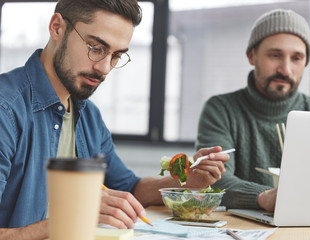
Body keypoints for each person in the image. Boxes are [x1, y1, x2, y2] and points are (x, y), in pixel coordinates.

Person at [0, 0, 230, 239]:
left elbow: (129, 188)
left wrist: (186, 180)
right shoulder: (5, 110)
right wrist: (72, 216)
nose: (105, 68)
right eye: (96, 48)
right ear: (57, 27)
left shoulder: (88, 116)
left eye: (117, 56)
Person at [195, 9, 310, 213]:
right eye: (275, 55)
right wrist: (264, 197)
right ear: (252, 56)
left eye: (297, 58)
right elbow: (215, 181)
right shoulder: (222, 110)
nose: (285, 69)